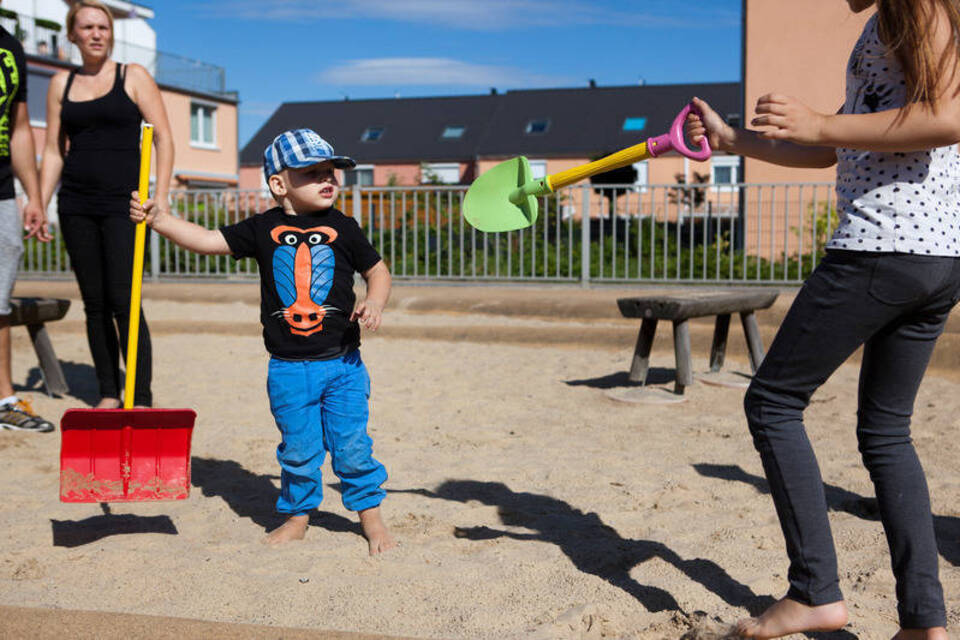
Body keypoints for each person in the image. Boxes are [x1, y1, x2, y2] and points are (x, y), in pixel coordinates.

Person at [687, 1, 960, 638]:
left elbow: (947, 117)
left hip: (881, 247)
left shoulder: (916, 6)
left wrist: (816, 122)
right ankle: (924, 622)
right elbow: (835, 149)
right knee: (887, 434)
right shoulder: (890, 22)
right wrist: (736, 141)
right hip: (934, 257)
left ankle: (814, 592)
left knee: (774, 402)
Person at [130, 129, 396, 554]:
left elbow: (377, 271)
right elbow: (207, 241)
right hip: (288, 370)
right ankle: (298, 517)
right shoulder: (262, 228)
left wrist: (376, 301)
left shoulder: (345, 226)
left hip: (344, 365)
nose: (327, 179)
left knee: (352, 447)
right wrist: (159, 220)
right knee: (299, 451)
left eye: (330, 171)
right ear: (279, 184)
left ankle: (372, 518)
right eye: (312, 173)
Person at [39, 0, 174, 409]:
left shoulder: (132, 76)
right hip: (76, 203)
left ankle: (141, 396)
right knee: (94, 303)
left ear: (111, 34)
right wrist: (38, 204)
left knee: (124, 300)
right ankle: (108, 393)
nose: (97, 33)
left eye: (103, 26)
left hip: (123, 204)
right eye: (88, 27)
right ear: (73, 35)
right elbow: (53, 151)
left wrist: (160, 196)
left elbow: (164, 138)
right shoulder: (60, 84)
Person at [0, 1, 55, 433]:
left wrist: (33, 194)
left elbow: (19, 128)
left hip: (2, 189)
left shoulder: (9, 48)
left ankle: (3, 399)